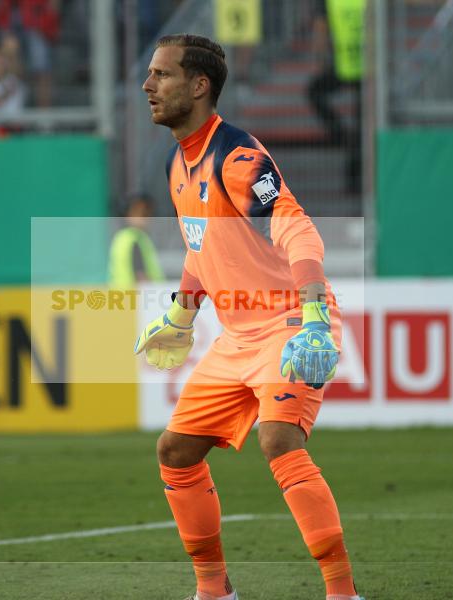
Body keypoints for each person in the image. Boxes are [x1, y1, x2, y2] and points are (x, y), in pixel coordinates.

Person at [136, 34, 362, 600]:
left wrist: (313, 315)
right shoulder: (177, 164)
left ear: (199, 85)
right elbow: (200, 248)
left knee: (279, 439)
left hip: (291, 318)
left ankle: (342, 594)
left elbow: (296, 226)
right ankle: (215, 591)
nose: (148, 86)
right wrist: (182, 316)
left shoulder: (236, 158)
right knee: (175, 451)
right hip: (238, 336)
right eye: (151, 74)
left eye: (161, 75)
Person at [306, 0, 365, 196]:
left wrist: (319, 57)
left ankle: (341, 136)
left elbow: (321, 29)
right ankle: (355, 179)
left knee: (314, 92)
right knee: (360, 126)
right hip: (365, 67)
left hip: (347, 65)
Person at [107, 193, 165, 289]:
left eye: (147, 213)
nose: (146, 218)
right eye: (141, 213)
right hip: (137, 299)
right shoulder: (134, 239)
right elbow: (141, 277)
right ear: (128, 214)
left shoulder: (121, 238)